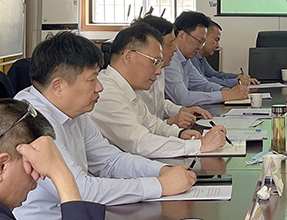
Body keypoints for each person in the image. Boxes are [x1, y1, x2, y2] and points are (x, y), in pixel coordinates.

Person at [12, 32, 197, 220]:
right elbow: (79, 190)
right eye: (92, 79)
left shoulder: (73, 111)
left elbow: (110, 160)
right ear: (58, 86)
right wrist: (160, 185)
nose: (100, 87)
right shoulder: (30, 119)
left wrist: (162, 171)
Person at [93, 23, 230, 158]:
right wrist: (199, 145)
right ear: (128, 56)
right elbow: (139, 143)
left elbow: (152, 124)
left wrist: (179, 134)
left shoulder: (128, 88)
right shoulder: (106, 92)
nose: (159, 71)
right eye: (154, 61)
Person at [132, 14, 210, 129]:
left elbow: (159, 104)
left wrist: (182, 110)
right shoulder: (133, 78)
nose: (175, 48)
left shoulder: (160, 68)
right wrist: (169, 123)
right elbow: (137, 132)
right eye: (170, 44)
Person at [164, 10, 251, 106]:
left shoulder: (185, 60)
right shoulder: (170, 60)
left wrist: (225, 90)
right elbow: (183, 98)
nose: (200, 47)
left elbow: (202, 84)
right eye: (199, 41)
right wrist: (224, 95)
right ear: (182, 35)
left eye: (203, 43)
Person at [196, 19, 257, 86]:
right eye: (216, 40)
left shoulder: (201, 58)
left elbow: (215, 75)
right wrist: (237, 82)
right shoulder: (192, 58)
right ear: (204, 37)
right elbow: (204, 82)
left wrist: (239, 77)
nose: (218, 46)